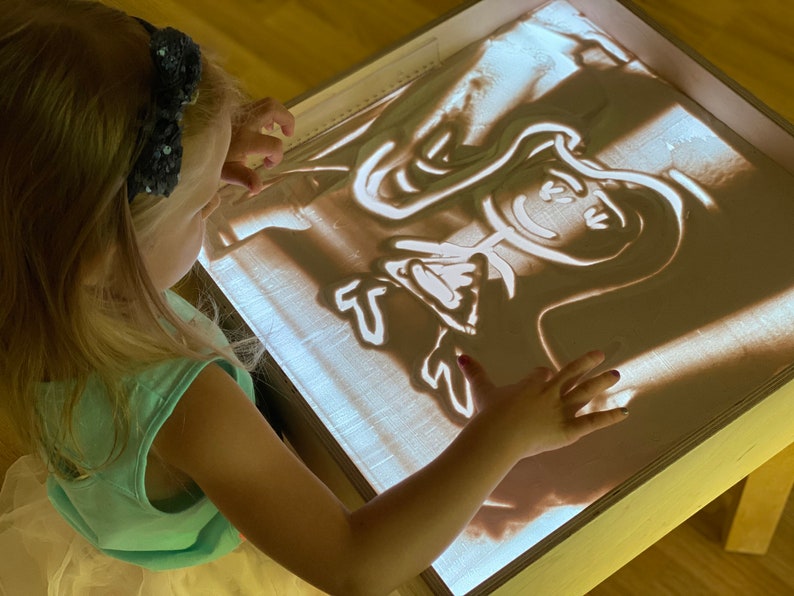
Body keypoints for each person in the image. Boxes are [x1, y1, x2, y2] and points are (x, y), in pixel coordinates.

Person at [0, 1, 629, 594]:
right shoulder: (192, 406)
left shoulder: (31, 287)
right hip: (203, 567)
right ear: (102, 256)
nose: (219, 200)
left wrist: (203, 161)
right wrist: (504, 435)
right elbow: (356, 565)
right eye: (199, 208)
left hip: (110, 507)